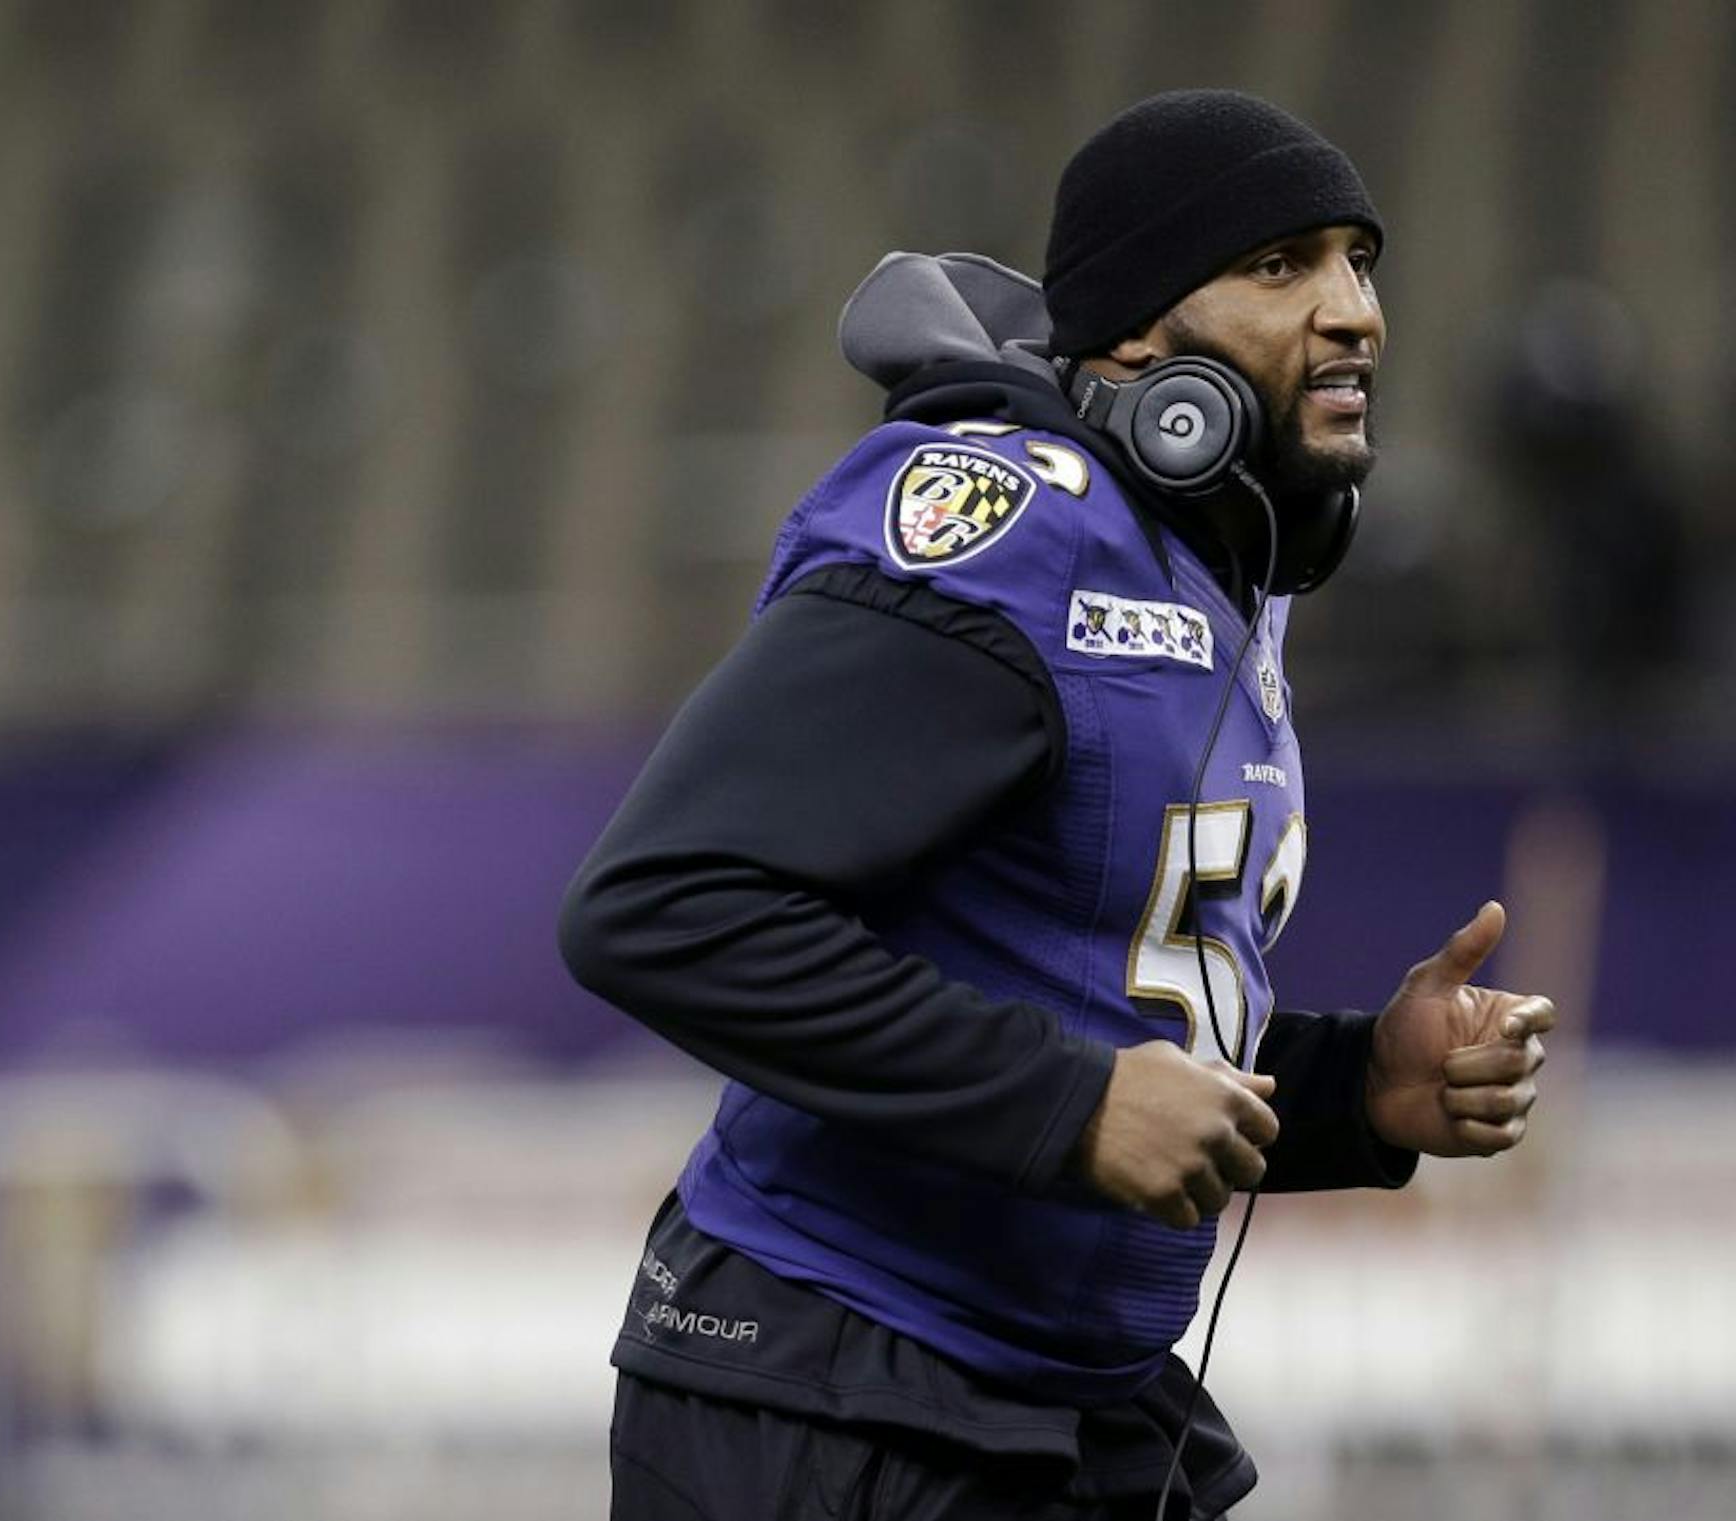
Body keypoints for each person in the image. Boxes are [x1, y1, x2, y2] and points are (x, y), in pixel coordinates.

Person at [558, 90, 1555, 1521]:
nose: (1354, 312)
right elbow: (662, 905)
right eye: (1283, 265)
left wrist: (1356, 1090)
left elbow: (1094, 1001)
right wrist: (1071, 1102)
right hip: (837, 1388)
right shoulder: (1008, 532)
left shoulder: (1219, 580)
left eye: (1359, 258)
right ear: (1144, 341)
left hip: (1062, 1402)